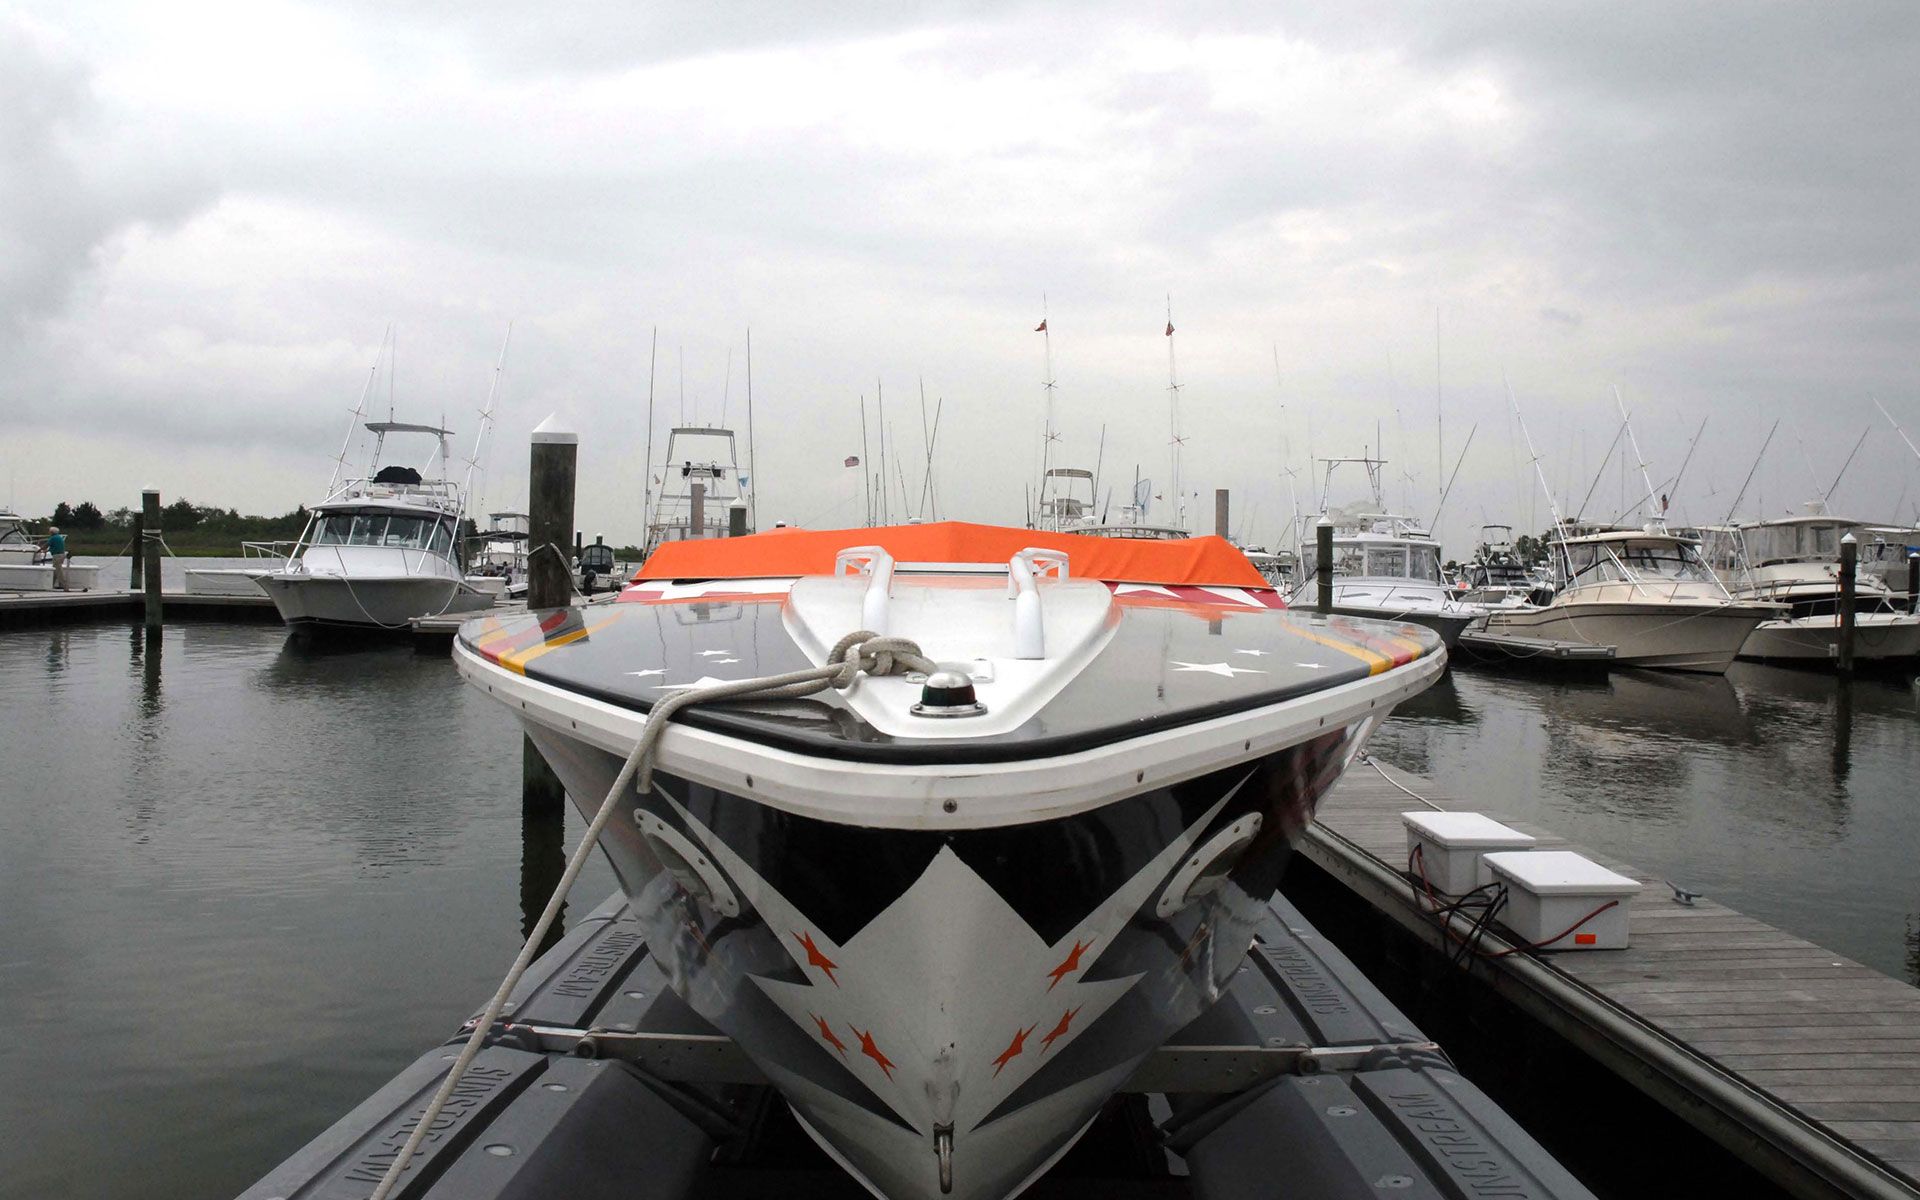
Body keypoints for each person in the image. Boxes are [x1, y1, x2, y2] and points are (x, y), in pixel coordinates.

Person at [46, 525, 68, 590]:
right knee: (55, 570)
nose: (49, 533)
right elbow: (54, 547)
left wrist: (40, 550)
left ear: (52, 532)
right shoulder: (59, 537)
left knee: (58, 571)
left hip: (57, 556)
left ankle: (65, 587)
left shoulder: (53, 538)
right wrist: (47, 550)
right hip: (62, 555)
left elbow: (47, 544)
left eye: (49, 531)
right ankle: (51, 584)